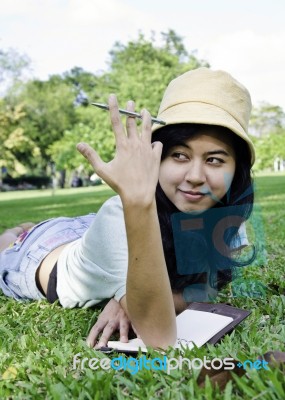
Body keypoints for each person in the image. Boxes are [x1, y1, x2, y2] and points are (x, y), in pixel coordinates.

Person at [0, 68, 255, 350]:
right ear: (156, 156)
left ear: (236, 169)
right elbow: (159, 339)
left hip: (91, 232)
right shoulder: (120, 215)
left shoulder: (227, 216)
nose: (195, 176)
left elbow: (210, 285)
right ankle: (19, 232)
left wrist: (130, 299)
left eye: (215, 160)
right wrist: (136, 202)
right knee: (10, 242)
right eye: (179, 155)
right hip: (41, 257)